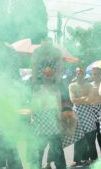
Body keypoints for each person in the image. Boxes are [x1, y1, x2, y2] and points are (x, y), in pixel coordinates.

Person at [29, 40, 66, 169]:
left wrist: (60, 120)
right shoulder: (36, 88)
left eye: (49, 74)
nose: (47, 76)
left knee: (57, 148)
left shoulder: (56, 88)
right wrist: (33, 117)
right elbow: (33, 103)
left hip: (52, 118)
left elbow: (59, 104)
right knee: (39, 148)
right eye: (45, 74)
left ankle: (61, 167)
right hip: (40, 118)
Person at [69, 68, 97, 166]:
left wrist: (80, 99)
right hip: (77, 113)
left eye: (82, 73)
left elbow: (90, 99)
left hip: (88, 113)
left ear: (84, 74)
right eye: (78, 73)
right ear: (76, 74)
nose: (80, 75)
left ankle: (93, 158)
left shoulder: (89, 85)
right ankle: (77, 160)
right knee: (78, 138)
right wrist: (84, 98)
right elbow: (73, 100)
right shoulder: (72, 86)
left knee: (90, 137)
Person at [89, 67, 101, 156]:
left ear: (100, 74)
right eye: (94, 74)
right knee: (92, 136)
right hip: (92, 111)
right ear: (91, 75)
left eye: (98, 73)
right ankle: (93, 158)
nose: (96, 75)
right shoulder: (89, 85)